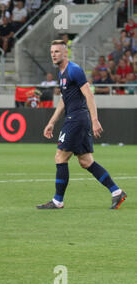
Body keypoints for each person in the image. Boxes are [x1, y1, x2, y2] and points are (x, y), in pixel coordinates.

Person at [36, 40, 127, 210]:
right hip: (74, 118)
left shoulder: (74, 70)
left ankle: (57, 201)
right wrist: (52, 122)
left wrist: (94, 119)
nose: (54, 54)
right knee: (86, 161)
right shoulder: (62, 73)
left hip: (77, 119)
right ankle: (116, 192)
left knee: (60, 157)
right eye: (52, 52)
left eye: (57, 51)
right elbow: (64, 99)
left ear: (65, 53)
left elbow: (89, 95)